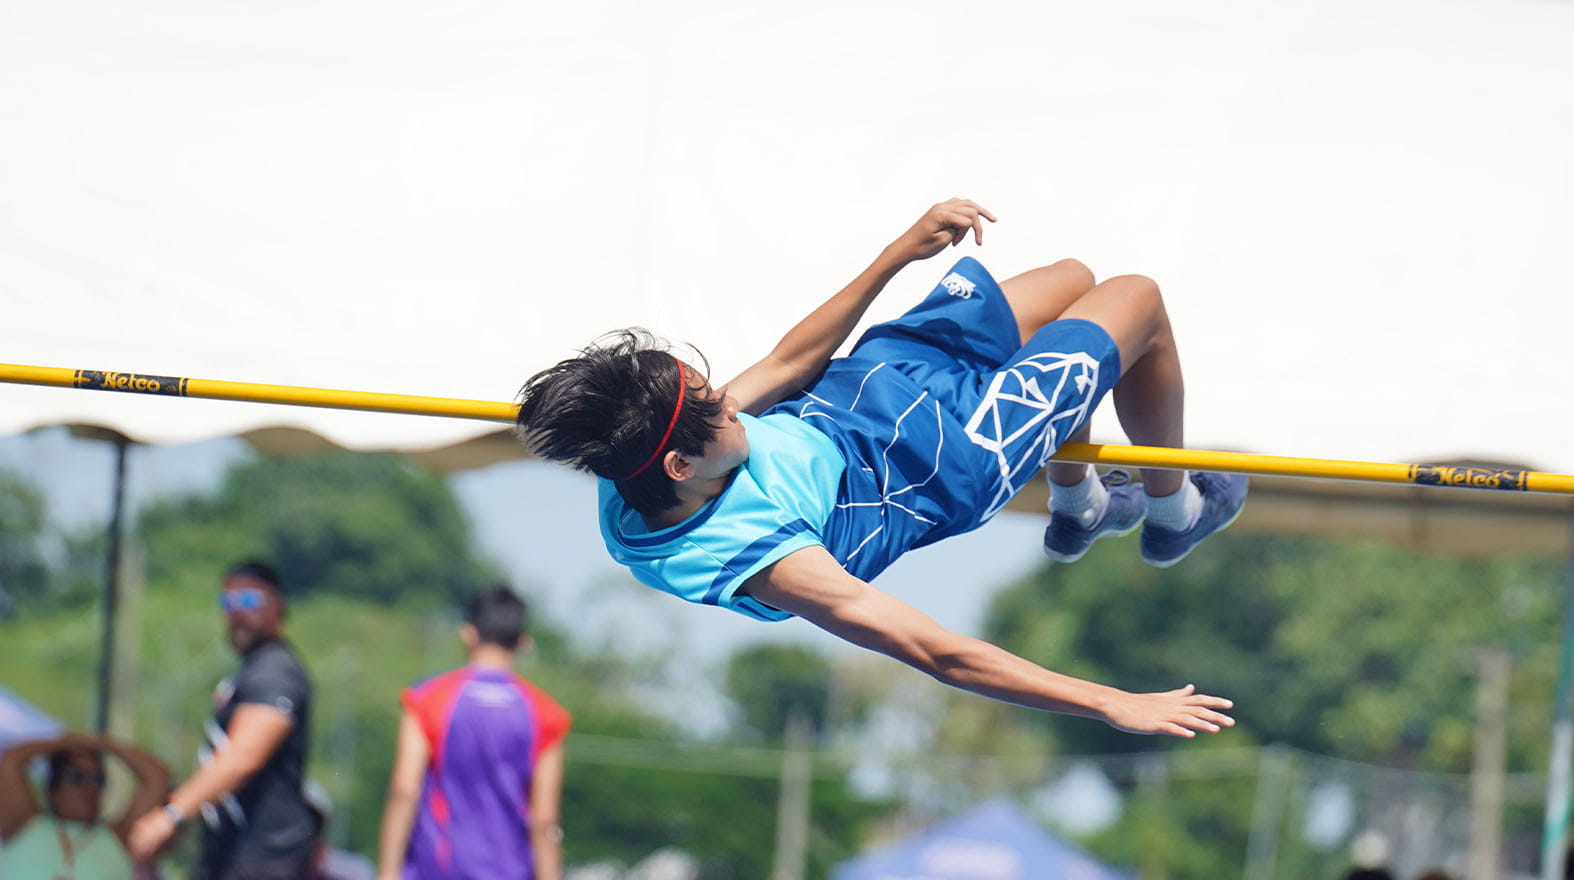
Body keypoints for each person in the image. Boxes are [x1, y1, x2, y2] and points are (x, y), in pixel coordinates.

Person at [515, 198, 1245, 737]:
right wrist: (1110, 701)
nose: (735, 403)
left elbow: (791, 362)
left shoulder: (640, 461)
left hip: (877, 380)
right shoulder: (763, 558)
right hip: (951, 456)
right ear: (680, 465)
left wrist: (897, 254)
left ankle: (1080, 502)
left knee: (1072, 278)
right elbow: (938, 651)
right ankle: (1174, 512)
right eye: (721, 412)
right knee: (1135, 300)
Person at [127, 560, 321, 879]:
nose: (236, 611)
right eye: (227, 601)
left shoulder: (275, 671)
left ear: (278, 607)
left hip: (265, 857)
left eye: (248, 600)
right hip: (230, 855)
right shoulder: (250, 670)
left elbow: (242, 757)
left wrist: (172, 815)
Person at [376, 586, 570, 880]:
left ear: (468, 633)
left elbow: (404, 791)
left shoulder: (426, 699)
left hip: (437, 869)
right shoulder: (546, 714)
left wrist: (387, 873)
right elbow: (544, 820)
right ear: (522, 643)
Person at [0, 732, 170, 879]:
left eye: (98, 780)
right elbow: (11, 759)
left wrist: (103, 744)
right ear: (54, 785)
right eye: (77, 776)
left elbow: (157, 778)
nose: (89, 787)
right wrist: (68, 743)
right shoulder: (22, 825)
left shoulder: (120, 837)